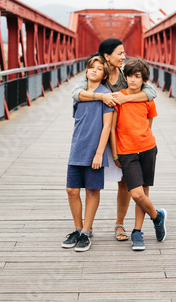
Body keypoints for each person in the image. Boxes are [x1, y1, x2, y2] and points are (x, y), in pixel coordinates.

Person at [71, 38, 157, 241]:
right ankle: (85, 227)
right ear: (106, 56)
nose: (123, 56)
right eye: (119, 53)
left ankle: (120, 224)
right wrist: (102, 97)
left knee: (125, 183)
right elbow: (76, 93)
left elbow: (150, 92)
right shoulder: (97, 73)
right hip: (97, 135)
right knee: (91, 182)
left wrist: (125, 98)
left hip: (123, 137)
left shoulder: (126, 76)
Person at [110, 57, 167, 251]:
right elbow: (112, 128)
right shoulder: (118, 98)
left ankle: (137, 232)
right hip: (126, 152)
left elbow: (148, 125)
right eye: (130, 76)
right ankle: (158, 217)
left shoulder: (148, 100)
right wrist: (115, 154)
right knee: (136, 193)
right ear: (125, 78)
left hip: (147, 149)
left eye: (137, 76)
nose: (133, 80)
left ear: (144, 79)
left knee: (144, 192)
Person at [62, 54, 114, 252]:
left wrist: (100, 153)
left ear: (103, 75)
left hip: (95, 151)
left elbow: (107, 127)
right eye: (92, 67)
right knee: (71, 190)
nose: (94, 70)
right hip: (77, 148)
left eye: (99, 68)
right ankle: (77, 228)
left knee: (92, 191)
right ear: (86, 71)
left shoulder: (107, 96)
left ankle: (85, 232)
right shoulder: (79, 93)